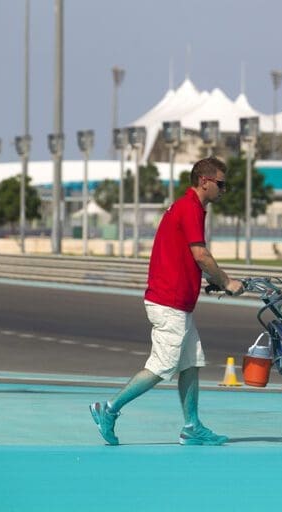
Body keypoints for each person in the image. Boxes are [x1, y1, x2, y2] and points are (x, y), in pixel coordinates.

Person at [90, 157, 245, 446]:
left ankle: (191, 427)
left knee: (190, 363)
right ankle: (108, 409)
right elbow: (201, 255)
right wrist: (226, 281)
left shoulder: (189, 208)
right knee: (162, 366)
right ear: (204, 181)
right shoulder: (189, 208)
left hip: (178, 304)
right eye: (220, 184)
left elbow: (191, 258)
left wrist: (211, 278)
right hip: (169, 304)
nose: (223, 190)